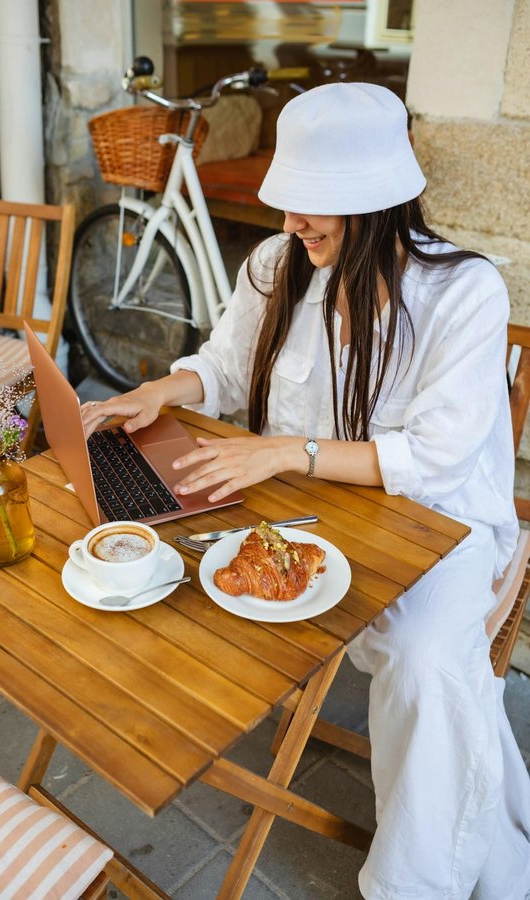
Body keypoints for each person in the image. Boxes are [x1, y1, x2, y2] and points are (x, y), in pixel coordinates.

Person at [82, 83, 530, 898]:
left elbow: (437, 457)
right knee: (167, 567)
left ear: (374, 203)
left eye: (308, 206)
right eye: (286, 205)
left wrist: (285, 452)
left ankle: (413, 882)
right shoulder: (276, 267)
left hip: (439, 528)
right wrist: (164, 392)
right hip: (309, 508)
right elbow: (219, 365)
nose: (288, 224)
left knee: (427, 662)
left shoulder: (464, 294)